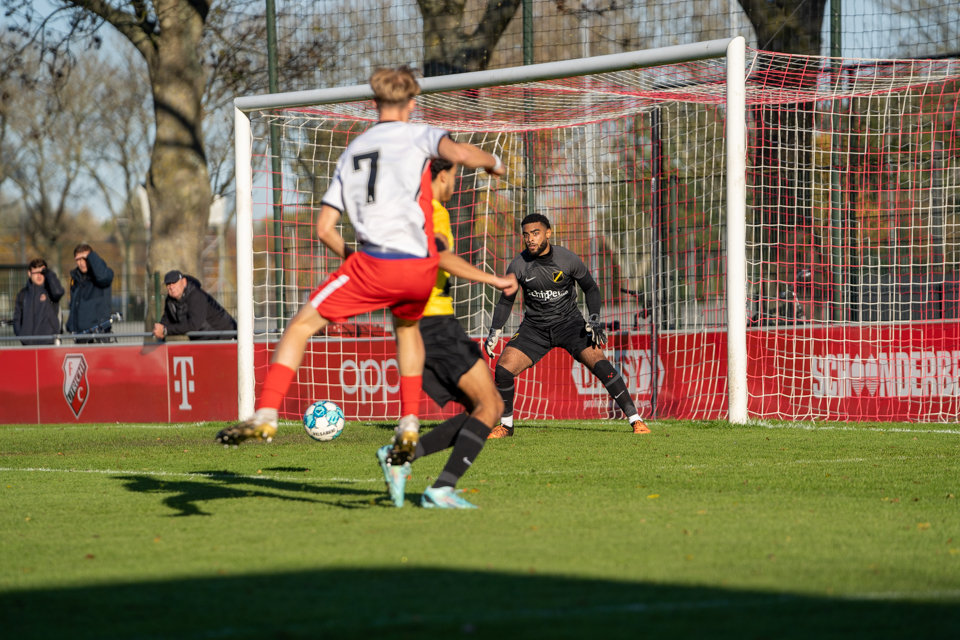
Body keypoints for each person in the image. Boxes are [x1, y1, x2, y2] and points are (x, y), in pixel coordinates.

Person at [216, 65, 505, 462]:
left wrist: (355, 263)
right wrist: (492, 162)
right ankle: (408, 423)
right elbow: (458, 153)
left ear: (374, 104)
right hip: (420, 269)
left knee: (300, 327)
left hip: (373, 264)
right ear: (412, 102)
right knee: (407, 329)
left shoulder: (353, 150)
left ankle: (266, 414)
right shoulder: (419, 134)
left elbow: (324, 228)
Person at [377, 158, 517, 509]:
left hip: (410, 325)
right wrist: (494, 279)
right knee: (492, 405)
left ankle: (400, 456)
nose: (455, 182)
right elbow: (438, 256)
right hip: (436, 323)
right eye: (454, 175)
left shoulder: (404, 212)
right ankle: (440, 488)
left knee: (478, 407)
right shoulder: (434, 212)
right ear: (441, 176)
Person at [484, 214, 650, 437]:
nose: (530, 239)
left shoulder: (568, 259)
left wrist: (593, 318)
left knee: (601, 364)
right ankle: (506, 425)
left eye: (535, 233)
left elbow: (591, 288)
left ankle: (636, 420)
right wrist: (495, 329)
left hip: (570, 324)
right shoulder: (518, 265)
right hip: (535, 328)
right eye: (526, 235)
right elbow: (506, 300)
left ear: (548, 233)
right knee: (503, 370)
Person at [153, 270, 237, 340]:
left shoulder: (197, 295)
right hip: (202, 340)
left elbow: (194, 325)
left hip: (223, 337)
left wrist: (165, 330)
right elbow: (167, 319)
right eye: (168, 284)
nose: (171, 287)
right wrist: (159, 329)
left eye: (174, 283)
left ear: (184, 281)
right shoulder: (170, 301)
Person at [66, 244, 114, 342]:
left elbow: (103, 276)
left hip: (98, 336)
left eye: (85, 258)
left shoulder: (103, 274)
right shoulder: (76, 279)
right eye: (79, 259)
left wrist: (91, 256)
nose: (82, 263)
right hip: (80, 336)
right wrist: (71, 327)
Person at [13, 258, 65, 345]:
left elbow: (59, 292)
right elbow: (17, 317)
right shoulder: (23, 294)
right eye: (36, 273)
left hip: (49, 342)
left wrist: (49, 273)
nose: (39, 276)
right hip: (28, 344)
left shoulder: (51, 291)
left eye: (42, 272)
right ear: (29, 273)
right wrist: (21, 335)